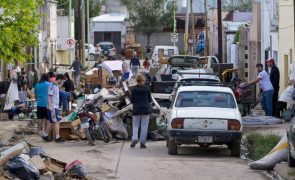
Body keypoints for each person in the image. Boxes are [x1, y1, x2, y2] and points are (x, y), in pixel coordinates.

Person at [130, 74, 152, 149]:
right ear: (143, 80)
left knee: (135, 125)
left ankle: (135, 138)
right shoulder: (147, 88)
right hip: (145, 109)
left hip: (136, 109)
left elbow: (132, 100)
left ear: (136, 80)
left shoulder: (133, 89)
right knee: (144, 126)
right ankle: (142, 143)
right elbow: (150, 100)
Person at [42, 72, 64, 143]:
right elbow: (49, 96)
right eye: (63, 80)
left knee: (52, 122)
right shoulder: (52, 85)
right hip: (53, 107)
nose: (63, 82)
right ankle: (57, 137)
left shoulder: (56, 85)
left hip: (54, 106)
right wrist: (51, 106)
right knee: (57, 122)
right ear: (60, 79)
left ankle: (45, 135)